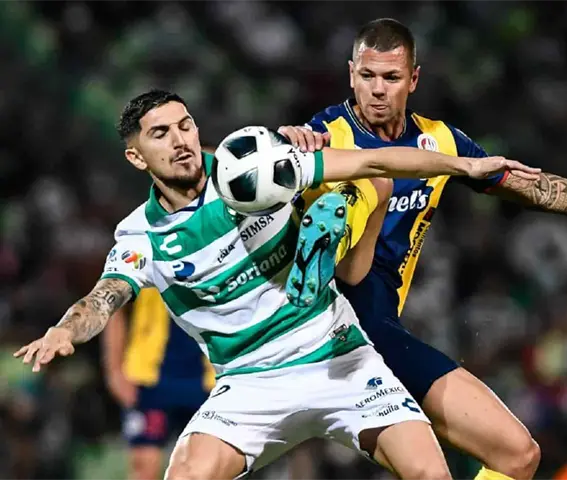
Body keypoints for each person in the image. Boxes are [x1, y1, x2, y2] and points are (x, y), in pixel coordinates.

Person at [13, 89, 537, 480]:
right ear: (136, 156)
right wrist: (66, 330)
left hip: (339, 357)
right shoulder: (141, 237)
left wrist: (464, 166)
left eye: (185, 125)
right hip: (250, 382)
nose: (180, 141)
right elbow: (104, 297)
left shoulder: (253, 164)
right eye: (161, 134)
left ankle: (327, 242)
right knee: (185, 473)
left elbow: (373, 158)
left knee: (430, 473)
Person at [278, 17, 567, 480]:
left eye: (391, 77)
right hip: (334, 321)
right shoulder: (325, 134)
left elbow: (533, 188)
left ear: (413, 79)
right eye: (367, 76)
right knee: (365, 185)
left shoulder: (441, 143)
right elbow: (262, 163)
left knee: (518, 456)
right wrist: (286, 147)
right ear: (351, 74)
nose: (377, 90)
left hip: (380, 336)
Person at [102, 287, 215, 480]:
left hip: (209, 379)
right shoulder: (144, 264)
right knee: (145, 467)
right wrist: (114, 370)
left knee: (208, 470)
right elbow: (113, 300)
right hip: (149, 379)